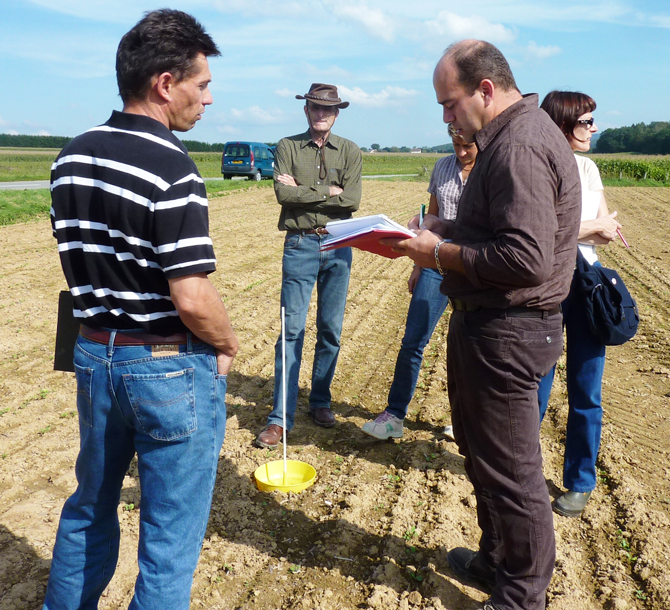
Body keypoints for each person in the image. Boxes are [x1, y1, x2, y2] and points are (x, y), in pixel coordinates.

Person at [44, 10, 238, 610]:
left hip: (94, 354)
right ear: (164, 83)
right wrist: (227, 344)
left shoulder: (69, 159)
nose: (207, 99)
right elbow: (191, 295)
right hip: (165, 365)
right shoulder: (173, 168)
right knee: (169, 538)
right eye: (201, 85)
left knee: (88, 508)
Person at [382, 40, 581, 610]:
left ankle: (521, 595)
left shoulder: (518, 144)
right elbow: (503, 231)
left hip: (511, 328)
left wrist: (440, 253)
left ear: (486, 90)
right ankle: (497, 558)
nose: (445, 117)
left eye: (449, 103)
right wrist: (451, 225)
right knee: (482, 453)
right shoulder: (510, 138)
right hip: (491, 324)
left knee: (515, 473)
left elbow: (526, 258)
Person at [255, 83, 362, 449]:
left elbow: (352, 200)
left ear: (336, 114)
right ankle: (279, 418)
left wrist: (304, 190)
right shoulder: (287, 147)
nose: (321, 114)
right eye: (315, 107)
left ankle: (320, 401)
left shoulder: (349, 151)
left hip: (338, 244)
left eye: (328, 109)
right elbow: (283, 195)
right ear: (306, 110)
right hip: (299, 244)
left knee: (330, 330)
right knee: (291, 331)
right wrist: (328, 191)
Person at [361, 126, 477, 440]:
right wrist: (418, 260)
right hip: (435, 262)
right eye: (455, 145)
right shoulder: (442, 167)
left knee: (470, 348)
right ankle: (395, 415)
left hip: (471, 266)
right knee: (413, 341)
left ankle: (466, 421)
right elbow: (434, 214)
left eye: (467, 146)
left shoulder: (492, 168)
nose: (461, 152)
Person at [537, 91, 622, 518]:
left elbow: (606, 231)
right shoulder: (539, 165)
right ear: (564, 121)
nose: (593, 128)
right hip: (547, 282)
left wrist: (580, 229)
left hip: (586, 282)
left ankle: (580, 481)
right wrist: (588, 227)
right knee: (537, 380)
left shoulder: (588, 167)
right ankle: (524, 470)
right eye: (587, 121)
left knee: (587, 387)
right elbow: (540, 232)